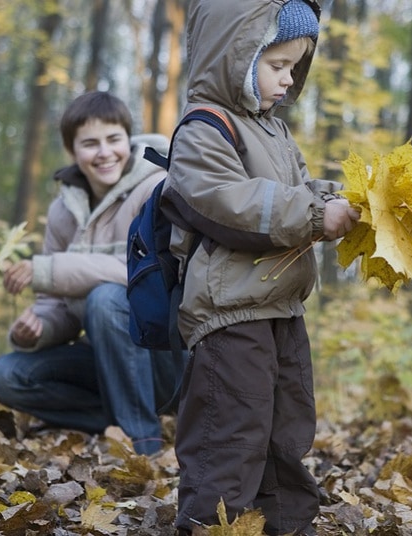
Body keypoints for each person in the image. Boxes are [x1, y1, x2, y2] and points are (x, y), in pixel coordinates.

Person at [160, 1, 361, 534]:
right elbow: (233, 204)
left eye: (295, 67)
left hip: (281, 305)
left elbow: (298, 192)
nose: (288, 80)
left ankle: (285, 525)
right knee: (231, 430)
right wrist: (318, 214)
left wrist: (346, 203)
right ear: (235, 55)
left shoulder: (274, 131)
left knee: (287, 427)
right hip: (230, 312)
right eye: (277, 66)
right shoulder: (204, 129)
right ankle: (209, 524)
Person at [0, 91, 186, 456]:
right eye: (90, 144)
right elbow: (56, 304)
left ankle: (143, 442)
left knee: (106, 299)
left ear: (128, 139)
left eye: (114, 139)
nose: (105, 152)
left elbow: (146, 276)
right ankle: (115, 420)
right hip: (106, 360)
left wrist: (47, 269)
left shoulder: (155, 189)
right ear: (72, 150)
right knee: (5, 374)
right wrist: (36, 330)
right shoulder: (64, 210)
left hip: (164, 358)